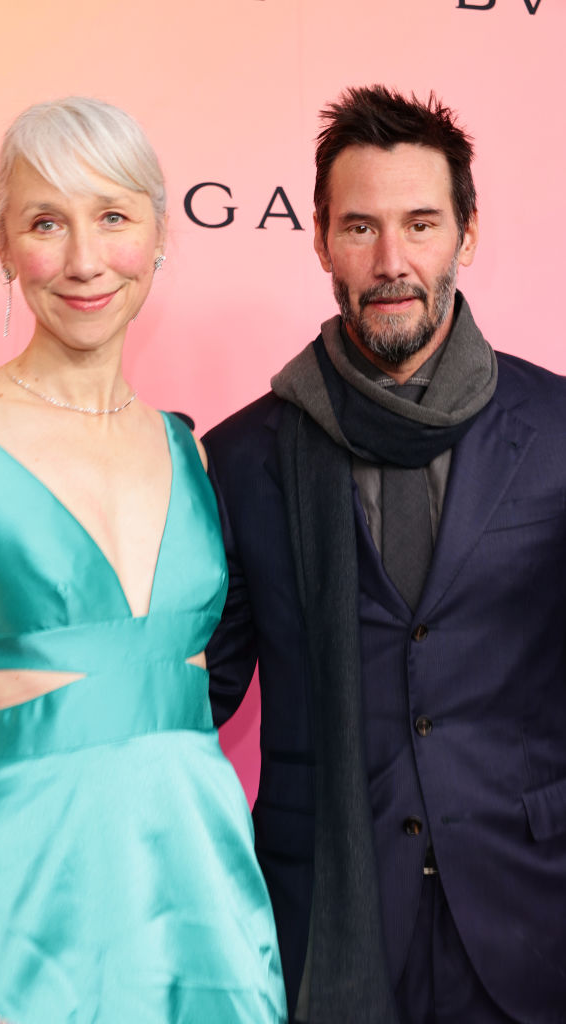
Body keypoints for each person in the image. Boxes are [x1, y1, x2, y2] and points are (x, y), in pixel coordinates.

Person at [0, 97, 287, 1024]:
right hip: (16, 929)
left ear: (159, 234)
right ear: (4, 245)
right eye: (45, 223)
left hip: (205, 920)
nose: (83, 260)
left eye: (112, 216)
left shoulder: (192, 453)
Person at [203, 85, 566, 1024]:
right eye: (359, 227)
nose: (391, 261)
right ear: (320, 241)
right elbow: (196, 695)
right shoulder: (243, 457)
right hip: (329, 920)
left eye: (420, 224)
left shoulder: (559, 432)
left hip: (533, 911)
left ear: (467, 234)